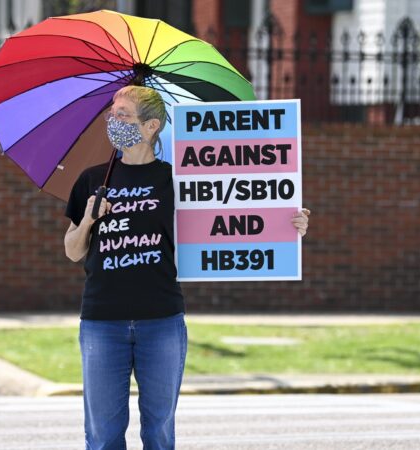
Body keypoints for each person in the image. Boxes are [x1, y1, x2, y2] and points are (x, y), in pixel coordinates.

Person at [63, 85, 310, 450]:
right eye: (111, 114)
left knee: (160, 433)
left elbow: (232, 213)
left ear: (151, 127)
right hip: (102, 321)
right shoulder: (92, 180)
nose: (113, 122)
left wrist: (288, 224)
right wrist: (87, 220)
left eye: (123, 115)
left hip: (161, 321)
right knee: (101, 435)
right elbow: (72, 250)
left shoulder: (176, 181)